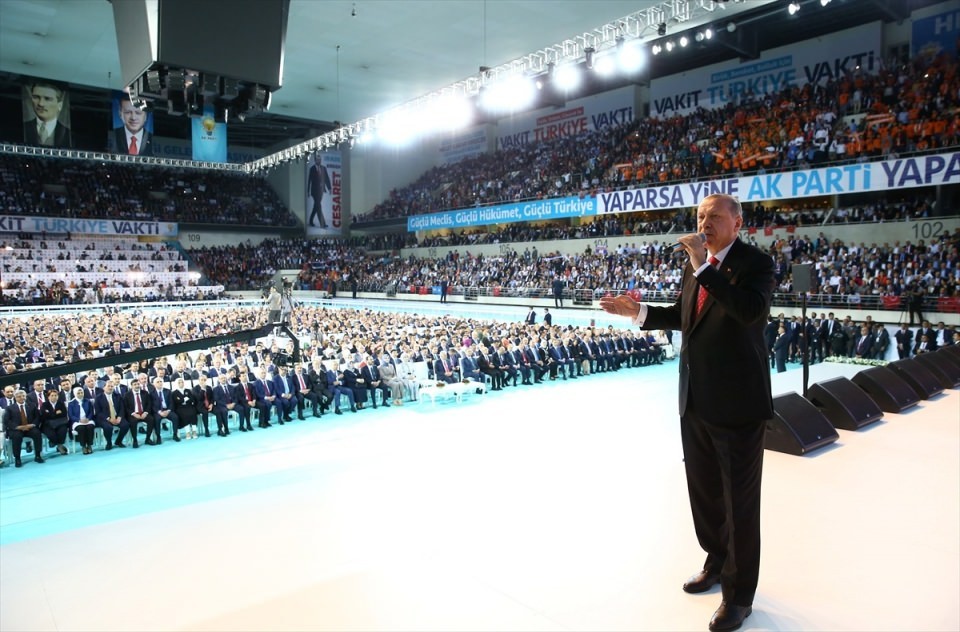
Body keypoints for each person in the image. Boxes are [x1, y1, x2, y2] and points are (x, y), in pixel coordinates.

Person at [600, 194, 774, 632]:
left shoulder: (755, 264)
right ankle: (716, 563)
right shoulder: (696, 268)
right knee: (706, 495)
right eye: (699, 216)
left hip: (737, 407)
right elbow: (685, 316)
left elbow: (748, 312)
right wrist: (637, 312)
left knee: (740, 505)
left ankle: (739, 598)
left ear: (737, 222)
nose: (704, 222)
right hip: (695, 400)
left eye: (714, 216)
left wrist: (703, 266)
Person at [23, 81, 72, 148]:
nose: (40, 103)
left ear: (60, 105)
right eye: (36, 97)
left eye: (47, 99)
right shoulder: (23, 127)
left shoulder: (68, 133)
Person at [4, 389, 45, 467]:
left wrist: (33, 425)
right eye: (19, 397)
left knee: (37, 433)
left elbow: (37, 417)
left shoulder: (32, 405)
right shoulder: (10, 408)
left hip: (29, 427)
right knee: (17, 436)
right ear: (15, 398)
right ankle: (17, 458)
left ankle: (37, 455)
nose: (22, 398)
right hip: (17, 429)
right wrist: (18, 427)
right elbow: (7, 421)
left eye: (23, 396)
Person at [68, 386, 96, 455]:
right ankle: (83, 446)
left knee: (90, 427)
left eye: (81, 392)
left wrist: (88, 419)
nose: (80, 394)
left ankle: (89, 445)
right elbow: (71, 416)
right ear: (75, 394)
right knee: (81, 428)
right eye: (78, 393)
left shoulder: (88, 401)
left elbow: (91, 412)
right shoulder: (71, 403)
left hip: (88, 420)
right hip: (77, 422)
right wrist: (79, 420)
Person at [307, 153, 331, 228]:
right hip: (314, 191)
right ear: (315, 161)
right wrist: (308, 191)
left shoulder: (323, 168)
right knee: (318, 206)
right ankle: (322, 223)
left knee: (316, 206)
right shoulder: (312, 169)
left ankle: (310, 220)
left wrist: (329, 188)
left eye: (320, 159)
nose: (319, 161)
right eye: (317, 159)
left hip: (321, 191)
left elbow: (326, 178)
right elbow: (309, 181)